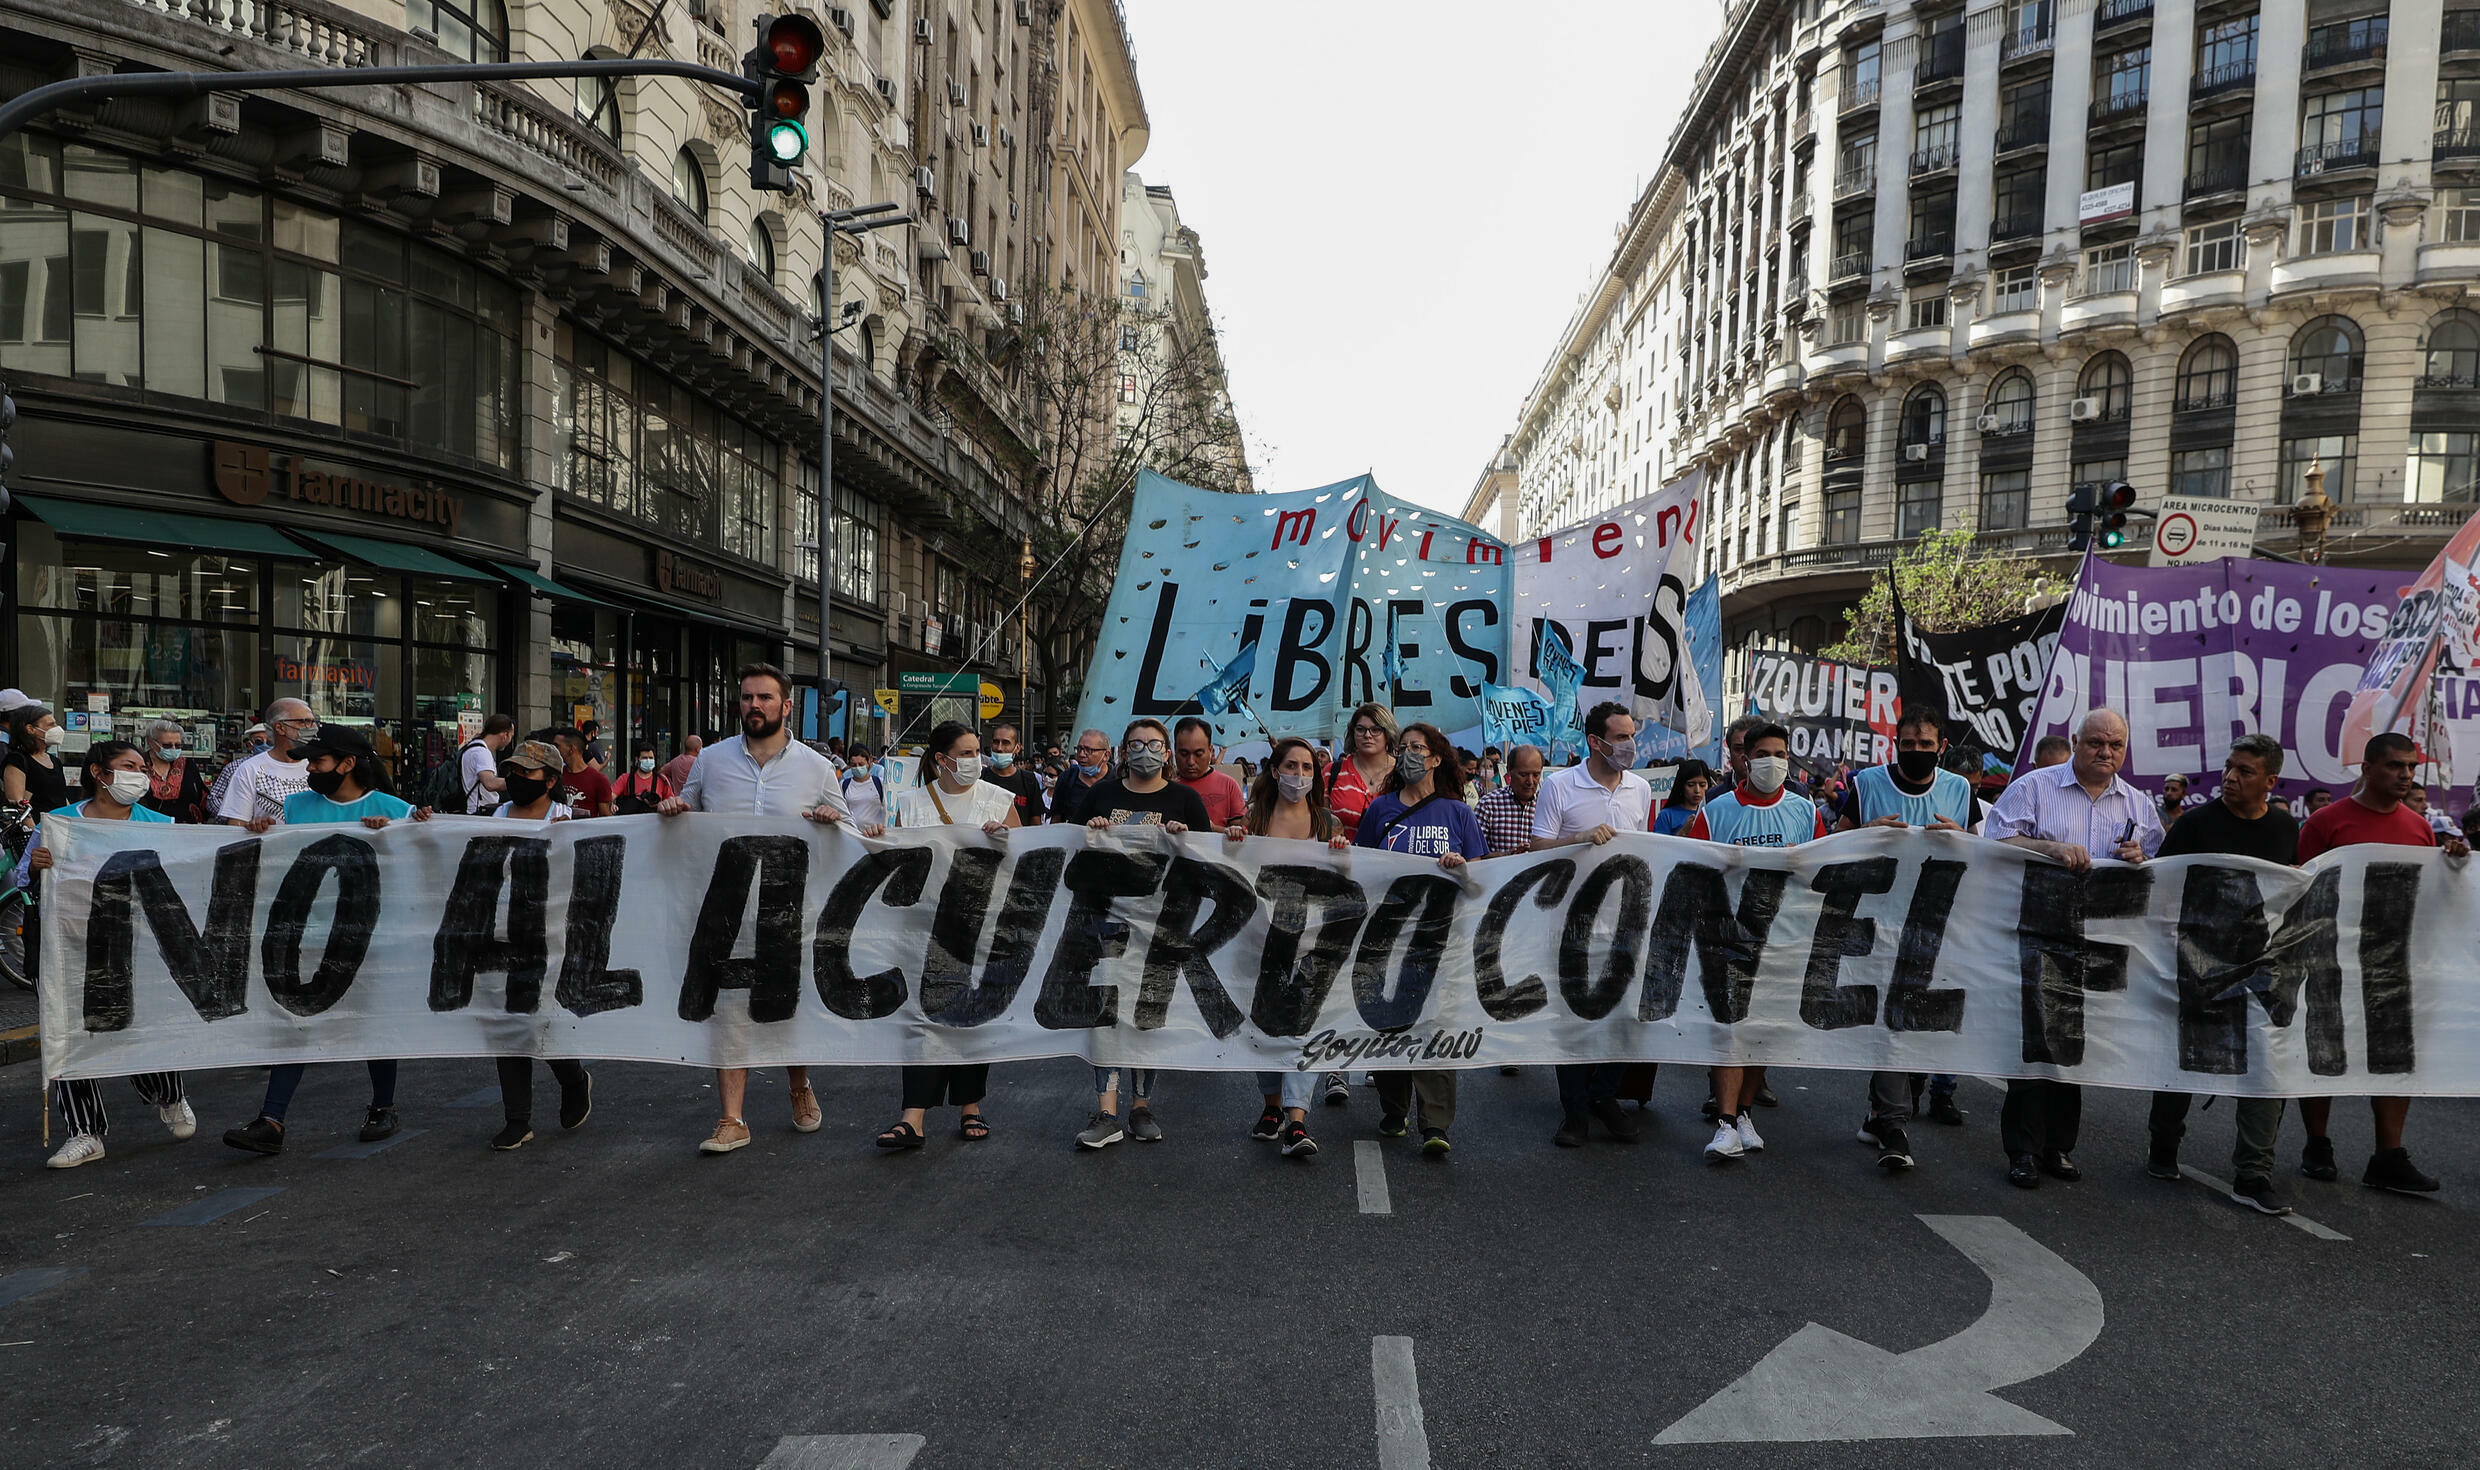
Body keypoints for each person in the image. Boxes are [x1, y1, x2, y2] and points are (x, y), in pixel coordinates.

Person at [658, 665, 853, 1154]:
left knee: (786, 1003)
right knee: (729, 1011)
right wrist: (675, 810)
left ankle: (798, 1085)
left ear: (787, 706)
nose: (754, 706)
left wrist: (833, 819)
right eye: (747, 698)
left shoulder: (816, 767)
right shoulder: (712, 760)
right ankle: (731, 1118)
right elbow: (688, 810)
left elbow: (847, 832)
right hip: (724, 908)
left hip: (790, 909)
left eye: (765, 697)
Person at [1982, 708, 2162, 1189]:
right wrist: (2050, 848)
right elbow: (1994, 841)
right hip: (2039, 930)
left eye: (2116, 745)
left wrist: (2140, 858)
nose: (2106, 753)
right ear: (2076, 742)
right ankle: (2022, 1150)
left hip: (2101, 939)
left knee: (2077, 1046)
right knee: (2037, 1041)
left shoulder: (2138, 805)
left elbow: (2157, 862)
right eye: (2095, 743)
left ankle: (2058, 1147)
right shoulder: (2035, 787)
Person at [222, 726, 423, 1156]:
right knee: (295, 1021)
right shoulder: (295, 807)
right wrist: (262, 831)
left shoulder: (393, 809)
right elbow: (279, 862)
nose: (309, 768)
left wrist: (395, 835)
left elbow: (422, 871)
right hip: (309, 936)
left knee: (376, 1023)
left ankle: (382, 1107)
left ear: (348, 764)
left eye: (318, 761)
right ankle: (272, 1120)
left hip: (373, 938)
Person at [2294, 732, 2471, 1193]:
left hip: (2392, 960)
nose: (2406, 775)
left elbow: (2429, 893)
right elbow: (2301, 890)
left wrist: (2453, 863)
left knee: (2395, 1057)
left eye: (2411, 767)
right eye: (2395, 766)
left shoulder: (2419, 827)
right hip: (2331, 957)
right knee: (2323, 1051)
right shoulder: (2325, 822)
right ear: (2367, 769)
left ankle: (2388, 1155)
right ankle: (2318, 1146)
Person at [18, 741, 194, 1168]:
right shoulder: (59, 823)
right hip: (65, 946)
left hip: (134, 947)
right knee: (67, 1038)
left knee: (136, 1025)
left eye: (142, 767)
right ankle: (84, 1132)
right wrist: (37, 865)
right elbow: (23, 876)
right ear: (99, 772)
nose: (140, 774)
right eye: (129, 766)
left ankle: (167, 1094)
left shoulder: (159, 824)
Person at [2146, 734, 2299, 1216]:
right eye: (2229, 768)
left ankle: (2253, 1173)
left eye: (2245, 771)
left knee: (2265, 1067)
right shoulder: (2194, 824)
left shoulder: (2284, 829)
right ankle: (2163, 1144)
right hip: (2198, 961)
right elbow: (2160, 886)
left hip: (2262, 966)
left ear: (2270, 781)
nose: (2230, 778)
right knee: (2184, 1064)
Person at [1834, 709, 1984, 1166]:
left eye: (1926, 744)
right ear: (1895, 744)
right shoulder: (1866, 786)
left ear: (1942, 748)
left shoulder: (1960, 790)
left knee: (1915, 1027)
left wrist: (1962, 838)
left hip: (1937, 923)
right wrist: (1866, 833)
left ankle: (1882, 1111)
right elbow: (1833, 846)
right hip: (1877, 923)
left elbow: (1982, 855)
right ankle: (1894, 1124)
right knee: (1890, 1022)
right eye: (1909, 743)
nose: (1917, 751)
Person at [1682, 723, 1829, 1164]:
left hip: (1785, 940)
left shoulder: (1805, 811)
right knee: (1731, 1031)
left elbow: (1821, 868)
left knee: (1764, 1034)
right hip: (1731, 939)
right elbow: (1694, 864)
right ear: (1743, 758)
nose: (1772, 761)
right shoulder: (1719, 809)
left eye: (1780, 753)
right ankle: (1725, 1124)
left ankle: (1744, 1112)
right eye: (1762, 753)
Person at [876, 721, 1018, 1151]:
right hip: (923, 924)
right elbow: (898, 858)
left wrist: (1006, 840)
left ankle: (970, 1105)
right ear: (942, 760)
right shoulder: (910, 803)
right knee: (921, 1017)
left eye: (979, 751)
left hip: (981, 923)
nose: (978, 759)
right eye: (968, 752)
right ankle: (912, 1117)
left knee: (971, 1014)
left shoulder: (999, 799)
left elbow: (1025, 859)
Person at [1074, 718, 1211, 1149]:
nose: (1145, 751)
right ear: (1123, 753)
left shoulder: (1184, 799)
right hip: (1107, 920)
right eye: (1136, 744)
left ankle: (1141, 1106)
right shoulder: (1102, 795)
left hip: (1161, 924)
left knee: (1148, 1013)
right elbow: (1069, 847)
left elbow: (1208, 860)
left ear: (1167, 753)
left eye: (1154, 744)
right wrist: (1089, 833)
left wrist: (1184, 840)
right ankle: (1107, 1112)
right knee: (1107, 1013)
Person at [1355, 722, 1487, 1157]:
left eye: (1418, 747)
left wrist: (1462, 868)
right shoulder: (1380, 810)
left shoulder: (1458, 814)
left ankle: (1436, 1121)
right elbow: (1361, 869)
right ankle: (1395, 1108)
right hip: (1387, 936)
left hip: (1439, 938)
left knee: (1435, 1026)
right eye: (1403, 747)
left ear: (1435, 759)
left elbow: (1482, 884)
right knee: (1388, 1024)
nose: (1409, 753)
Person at [1529, 701, 1654, 1148]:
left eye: (1631, 734)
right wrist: (1579, 838)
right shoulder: (1560, 786)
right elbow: (1537, 847)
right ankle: (1574, 1112)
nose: (1630, 744)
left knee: (1623, 1019)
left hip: (1627, 924)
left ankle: (1604, 1097)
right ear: (1596, 742)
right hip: (1571, 925)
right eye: (1621, 737)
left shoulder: (1640, 789)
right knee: (1574, 1019)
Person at [1221, 736, 1349, 1157]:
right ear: (1275, 771)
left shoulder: (1328, 823)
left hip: (1312, 946)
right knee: (1263, 1024)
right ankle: (1271, 1108)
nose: (1299, 776)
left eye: (1308, 768)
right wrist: (1232, 841)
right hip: (1261, 943)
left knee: (1302, 1027)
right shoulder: (1253, 821)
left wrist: (1343, 855)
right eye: (1291, 767)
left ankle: (1297, 1119)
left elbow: (1350, 878)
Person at [478, 738, 593, 1149]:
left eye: (527, 772)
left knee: (544, 1021)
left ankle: (574, 1079)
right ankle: (517, 1118)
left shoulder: (574, 818)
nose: (516, 778)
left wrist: (575, 841)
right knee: (508, 1022)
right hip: (501, 935)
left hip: (556, 936)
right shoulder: (491, 816)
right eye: (512, 771)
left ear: (550, 780)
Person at [218, 699, 320, 828]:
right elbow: (236, 825)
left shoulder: (320, 765)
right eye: (303, 722)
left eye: (313, 722)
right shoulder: (250, 770)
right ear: (280, 728)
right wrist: (255, 827)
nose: (311, 728)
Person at [1327, 702, 1400, 841]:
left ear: (1388, 733)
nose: (1367, 735)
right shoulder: (1331, 772)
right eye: (1360, 729)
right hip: (1341, 858)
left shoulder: (1403, 773)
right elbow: (1319, 821)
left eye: (1376, 729)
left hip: (1392, 860)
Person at [1173, 716, 1248, 830]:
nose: (1191, 762)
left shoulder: (1228, 785)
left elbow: (1240, 832)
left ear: (1210, 751)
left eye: (1198, 754)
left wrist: (1211, 828)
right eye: (1184, 754)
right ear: (1174, 750)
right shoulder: (1164, 784)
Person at [137, 718, 213, 824]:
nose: (173, 749)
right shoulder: (138, 765)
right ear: (151, 742)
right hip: (149, 830)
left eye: (178, 745)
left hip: (186, 832)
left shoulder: (188, 766)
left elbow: (203, 798)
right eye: (167, 745)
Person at [1475, 744, 1546, 858]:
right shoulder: (1488, 805)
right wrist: (1506, 856)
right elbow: (1474, 855)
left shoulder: (1547, 806)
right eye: (1523, 775)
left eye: (1536, 775)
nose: (1530, 781)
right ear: (1509, 771)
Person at [2, 702, 70, 817]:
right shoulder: (17, 760)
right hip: (36, 830)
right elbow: (18, 804)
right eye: (51, 725)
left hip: (58, 828)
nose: (57, 729)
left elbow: (61, 798)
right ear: (30, 729)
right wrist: (35, 833)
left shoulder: (54, 761)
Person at [982, 722, 1048, 828]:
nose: (999, 748)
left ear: (1017, 748)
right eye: (995, 742)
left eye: (1006, 743)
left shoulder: (1029, 780)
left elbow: (1035, 824)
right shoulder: (981, 777)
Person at [1048, 728, 1117, 826]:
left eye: (1088, 750)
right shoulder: (1067, 778)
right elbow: (1056, 819)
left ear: (1106, 755)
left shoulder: (1117, 779)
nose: (1081, 755)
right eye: (1079, 749)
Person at [206, 721, 273, 816]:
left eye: (270, 742)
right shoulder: (234, 768)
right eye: (259, 741)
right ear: (251, 745)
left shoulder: (285, 768)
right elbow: (213, 800)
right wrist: (234, 815)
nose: (265, 745)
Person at [454, 713, 516, 814]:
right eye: (511, 736)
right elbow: (490, 783)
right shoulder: (482, 753)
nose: (510, 741)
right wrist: (520, 782)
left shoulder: (471, 747)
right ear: (505, 735)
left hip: (473, 810)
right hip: (480, 812)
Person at [549, 727, 615, 817]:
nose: (553, 750)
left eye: (557, 746)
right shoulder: (554, 776)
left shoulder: (599, 780)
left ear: (571, 749)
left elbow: (605, 817)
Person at [1652, 758, 1714, 836]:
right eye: (1691, 785)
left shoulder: (1712, 814)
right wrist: (1683, 832)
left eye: (1702, 785)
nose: (1697, 790)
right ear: (1681, 785)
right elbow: (1659, 845)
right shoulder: (1667, 815)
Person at [839, 742, 890, 831]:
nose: (857, 768)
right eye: (854, 765)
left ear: (868, 762)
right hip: (853, 834)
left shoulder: (879, 783)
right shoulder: (843, 785)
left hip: (875, 834)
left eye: (861, 764)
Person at [611, 744, 673, 815]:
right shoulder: (625, 778)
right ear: (637, 759)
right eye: (644, 758)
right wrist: (611, 805)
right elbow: (608, 797)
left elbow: (670, 802)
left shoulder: (662, 780)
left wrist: (658, 805)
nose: (648, 760)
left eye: (651, 758)